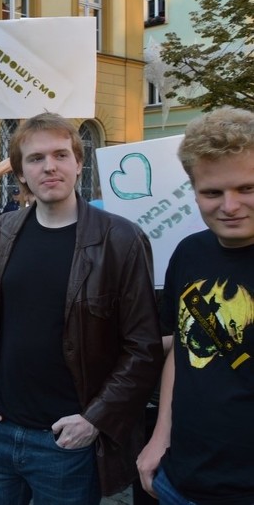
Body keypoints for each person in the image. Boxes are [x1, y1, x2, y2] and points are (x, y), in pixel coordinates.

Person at [0, 112, 164, 504]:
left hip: (67, 441)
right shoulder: (3, 232)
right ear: (20, 172)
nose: (49, 166)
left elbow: (143, 347)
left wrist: (95, 420)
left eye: (60, 154)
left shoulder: (120, 239)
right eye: (36, 158)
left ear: (78, 163)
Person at [136, 107, 254, 504]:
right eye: (213, 193)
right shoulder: (189, 252)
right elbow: (183, 351)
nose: (231, 206)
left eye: (247, 188)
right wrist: (159, 439)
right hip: (179, 478)